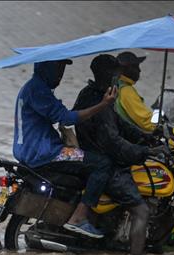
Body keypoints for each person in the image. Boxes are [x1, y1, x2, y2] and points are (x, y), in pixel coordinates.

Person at [13, 59, 118, 239]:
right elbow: (66, 118)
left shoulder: (32, 87)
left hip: (27, 151)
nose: (61, 75)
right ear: (47, 68)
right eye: (58, 68)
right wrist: (103, 104)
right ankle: (78, 217)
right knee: (102, 164)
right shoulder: (38, 90)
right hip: (44, 153)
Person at [73, 54, 163, 255]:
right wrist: (145, 151)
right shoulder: (106, 98)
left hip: (97, 154)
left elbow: (121, 124)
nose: (118, 77)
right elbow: (113, 141)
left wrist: (146, 138)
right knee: (141, 210)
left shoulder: (93, 93)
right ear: (108, 74)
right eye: (116, 73)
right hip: (107, 162)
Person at [115, 51, 156, 133]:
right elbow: (146, 121)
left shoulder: (116, 85)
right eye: (136, 67)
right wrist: (162, 127)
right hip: (131, 139)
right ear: (124, 69)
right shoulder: (126, 90)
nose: (139, 70)